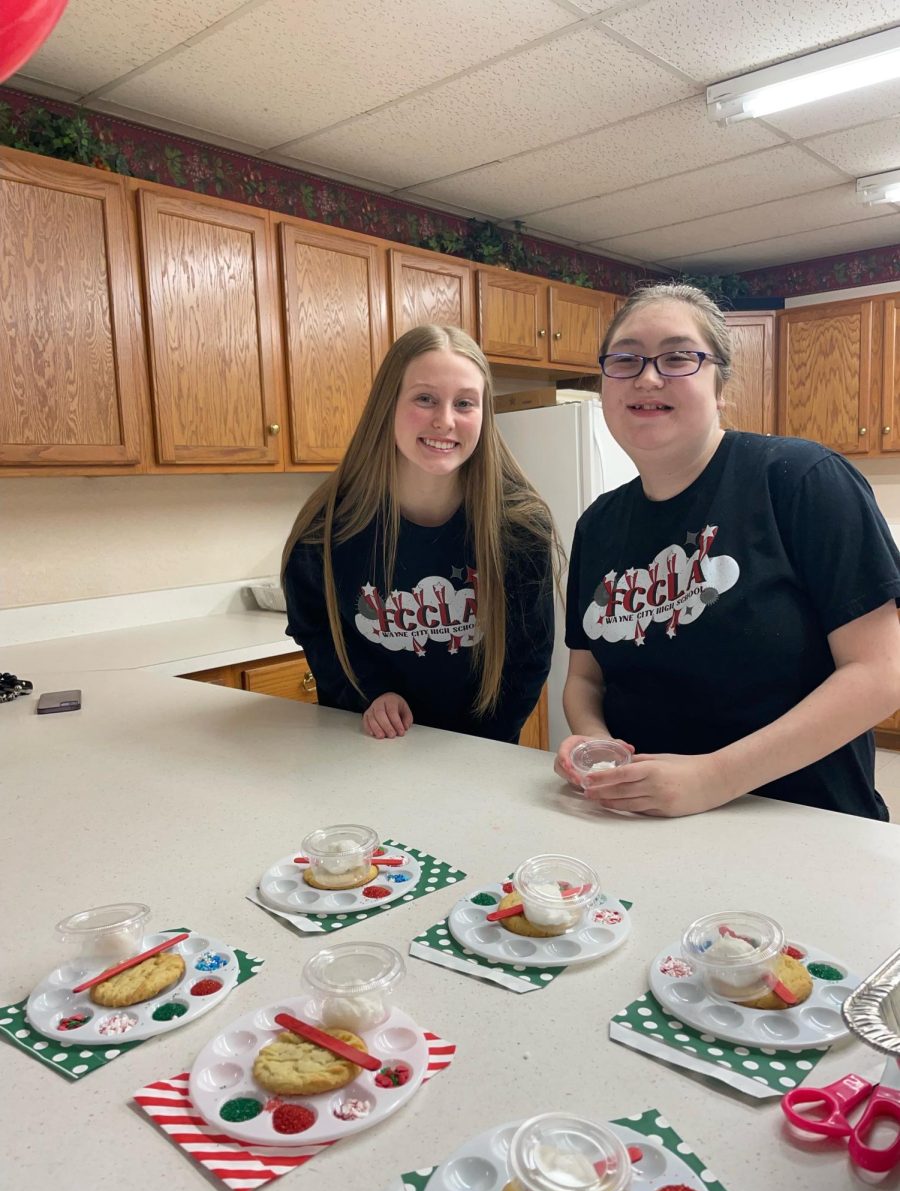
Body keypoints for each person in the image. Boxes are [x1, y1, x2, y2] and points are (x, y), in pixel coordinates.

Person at [555, 283, 900, 820]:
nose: (648, 376)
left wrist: (713, 778)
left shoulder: (801, 480)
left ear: (720, 387)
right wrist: (595, 745)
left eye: (677, 356)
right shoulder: (597, 524)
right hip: (643, 822)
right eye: (625, 359)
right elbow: (585, 679)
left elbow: (880, 674)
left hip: (806, 827)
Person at [282, 324, 556, 743]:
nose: (444, 421)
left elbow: (529, 657)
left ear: (484, 416)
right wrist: (369, 695)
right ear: (387, 405)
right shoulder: (326, 531)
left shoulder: (519, 526)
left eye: (465, 403)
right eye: (425, 398)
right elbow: (316, 630)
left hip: (481, 758)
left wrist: (483, 748)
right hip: (366, 749)